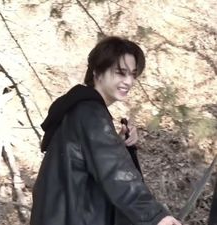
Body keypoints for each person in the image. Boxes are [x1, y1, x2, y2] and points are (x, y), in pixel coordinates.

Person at [30, 36, 182, 225]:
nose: (129, 81)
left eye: (133, 74)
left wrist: (119, 143)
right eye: (120, 72)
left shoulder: (78, 110)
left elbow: (93, 161)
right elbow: (115, 171)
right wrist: (155, 216)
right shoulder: (90, 113)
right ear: (97, 71)